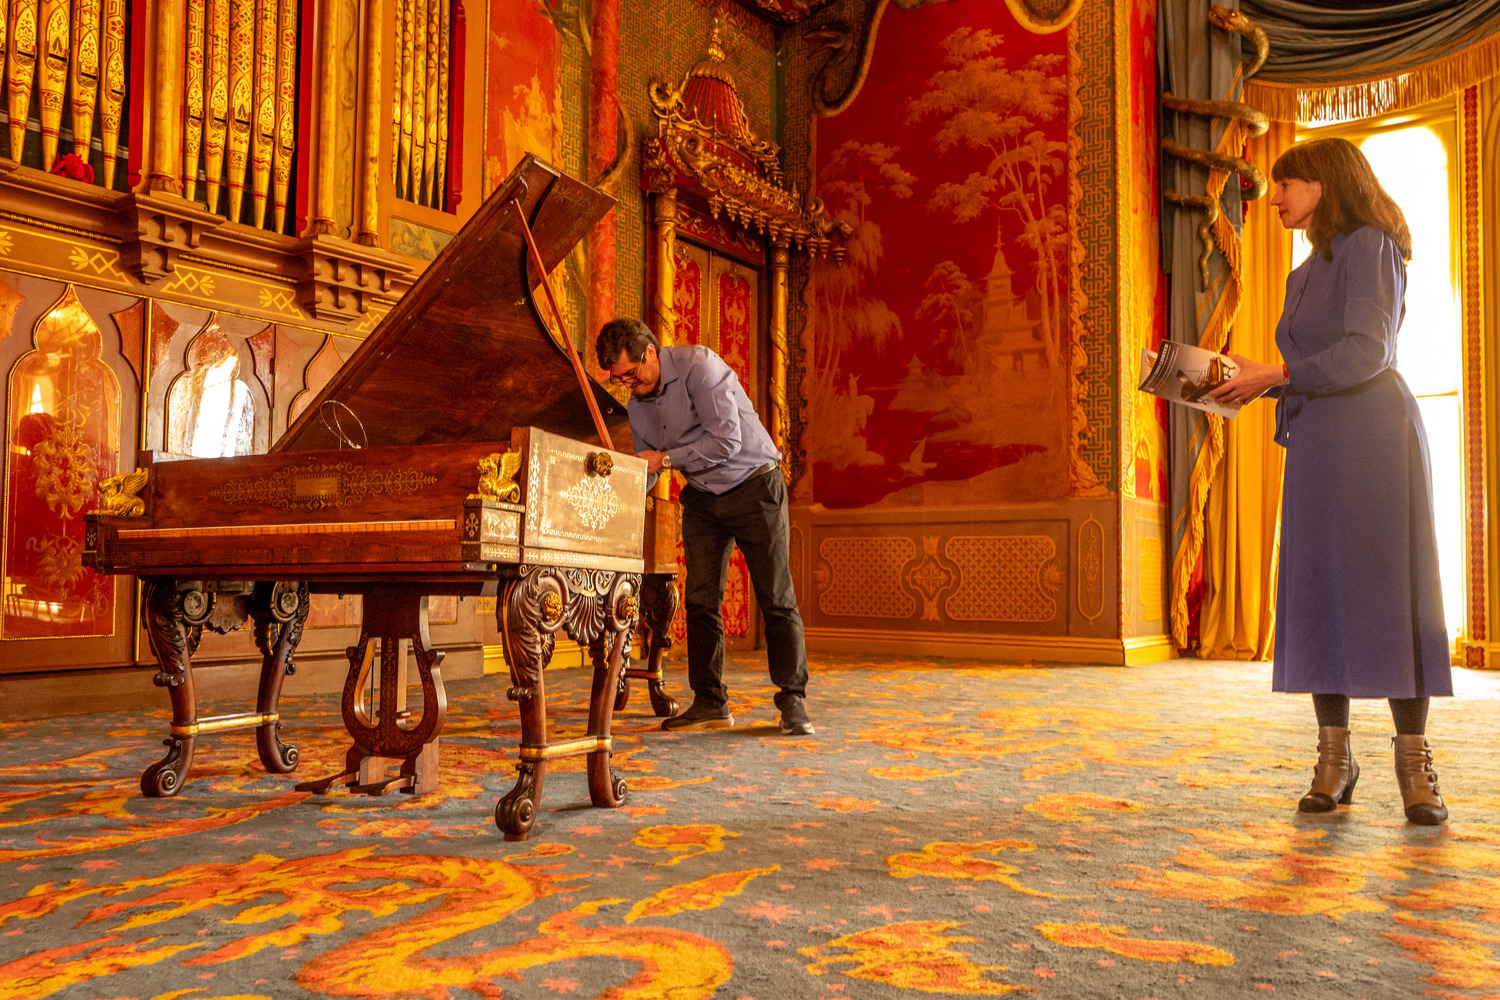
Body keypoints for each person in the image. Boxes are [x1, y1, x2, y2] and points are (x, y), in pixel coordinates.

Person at [1210, 137, 1450, 825]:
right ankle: (1333, 759)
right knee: (1322, 590)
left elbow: (1365, 352)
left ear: (1327, 184)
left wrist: (1275, 376)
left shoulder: (1372, 243)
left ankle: (1416, 767)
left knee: (1391, 591)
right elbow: (1305, 367)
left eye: (1289, 183)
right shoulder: (1301, 272)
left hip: (1374, 436)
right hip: (1316, 438)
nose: (1275, 195)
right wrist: (1241, 384)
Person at [595, 318, 813, 736]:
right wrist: (615, 492)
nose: (629, 385)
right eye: (620, 379)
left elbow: (726, 441)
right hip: (703, 498)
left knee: (775, 595)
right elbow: (648, 469)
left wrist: (666, 460)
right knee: (699, 600)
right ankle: (711, 701)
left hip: (755, 485)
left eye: (632, 374)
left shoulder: (701, 366)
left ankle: (793, 701)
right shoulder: (638, 406)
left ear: (651, 353)